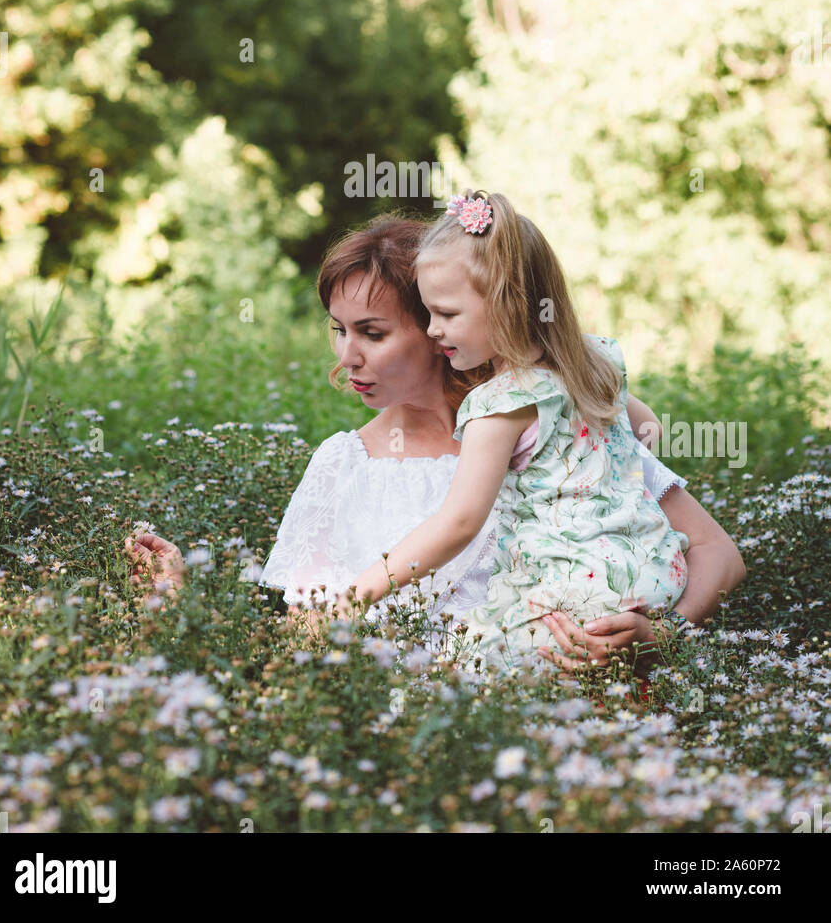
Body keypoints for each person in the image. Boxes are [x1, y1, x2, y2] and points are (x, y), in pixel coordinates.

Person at [126, 212, 745, 676]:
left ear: (439, 322)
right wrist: (191, 606)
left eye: (372, 332)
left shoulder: (559, 433)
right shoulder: (344, 464)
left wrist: (659, 637)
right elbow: (306, 636)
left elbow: (719, 552)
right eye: (338, 331)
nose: (347, 357)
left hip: (563, 706)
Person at [342, 191, 731, 674]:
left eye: (446, 314)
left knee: (460, 675)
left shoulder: (498, 403)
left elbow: (458, 524)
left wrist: (352, 598)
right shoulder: (597, 364)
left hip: (567, 594)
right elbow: (646, 428)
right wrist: (600, 479)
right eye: (427, 314)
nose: (434, 330)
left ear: (508, 304)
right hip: (652, 576)